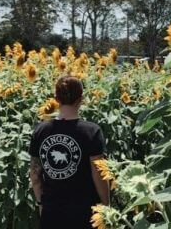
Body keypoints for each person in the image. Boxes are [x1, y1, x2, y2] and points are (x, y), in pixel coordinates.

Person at [29, 75, 110, 229]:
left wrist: (41, 203)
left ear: (56, 98)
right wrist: (107, 205)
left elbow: (34, 173)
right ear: (81, 99)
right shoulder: (91, 131)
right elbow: (99, 173)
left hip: (52, 212)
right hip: (84, 213)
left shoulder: (41, 131)